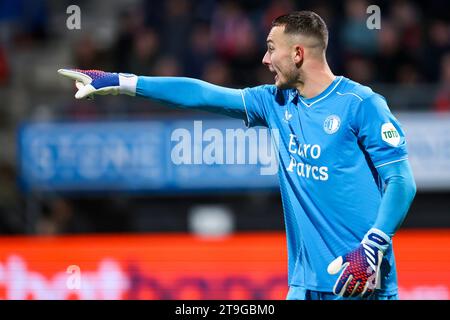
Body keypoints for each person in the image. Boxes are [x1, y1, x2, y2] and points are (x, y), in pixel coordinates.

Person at [58, 11, 416, 300]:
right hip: (304, 285)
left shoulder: (361, 105)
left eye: (271, 48)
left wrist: (373, 245)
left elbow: (401, 181)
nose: (264, 58)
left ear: (297, 54)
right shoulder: (274, 102)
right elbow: (201, 94)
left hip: (360, 280)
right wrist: (121, 81)